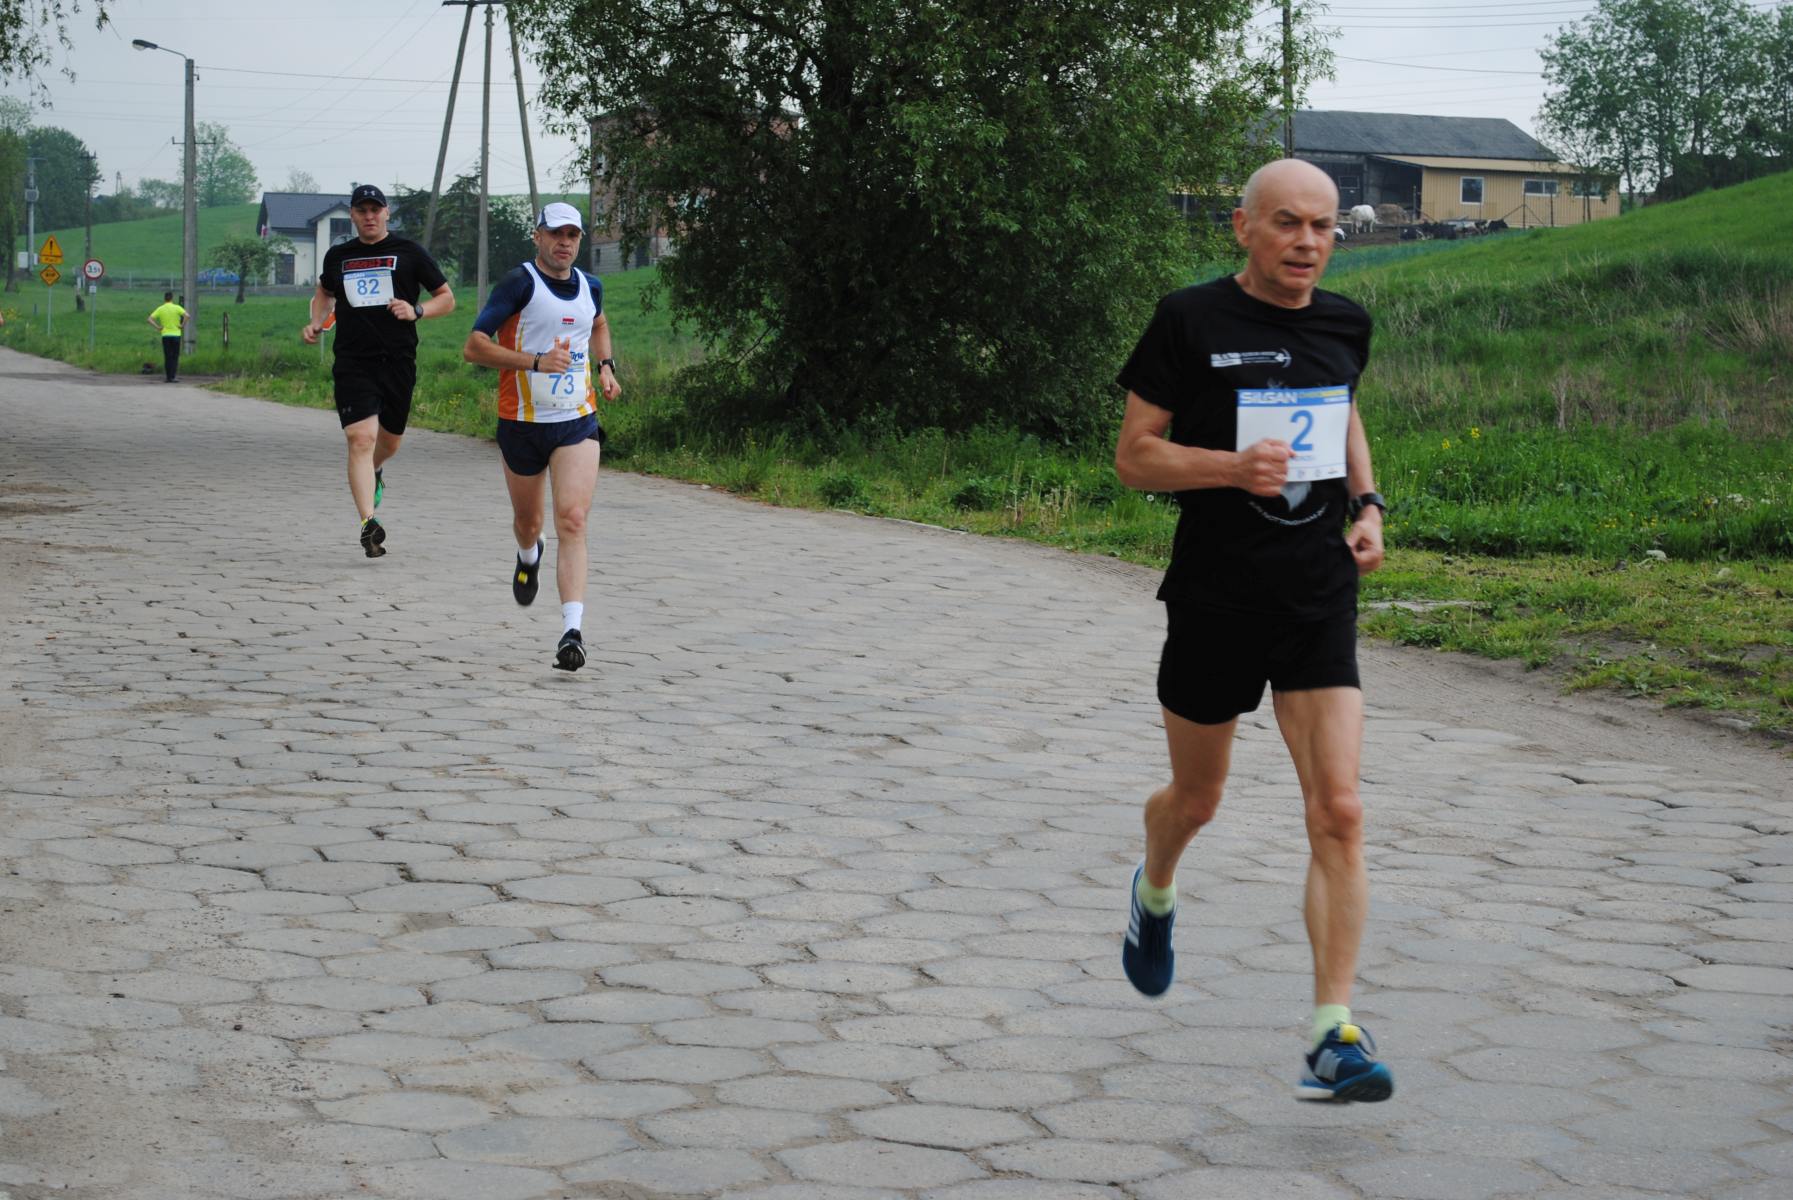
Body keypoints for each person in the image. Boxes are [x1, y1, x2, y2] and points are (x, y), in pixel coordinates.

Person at [1112, 158, 1391, 1103]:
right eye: (1286, 223)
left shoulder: (1345, 322)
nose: (1307, 242)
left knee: (1339, 811)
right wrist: (1231, 470)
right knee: (1196, 800)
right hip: (1216, 597)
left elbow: (1342, 409)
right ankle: (1154, 889)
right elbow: (1134, 458)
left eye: (1322, 226)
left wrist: (1366, 504)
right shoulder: (1189, 319)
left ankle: (1331, 1033)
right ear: (1243, 227)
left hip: (1314, 594)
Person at [461, 203, 621, 672]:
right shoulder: (520, 283)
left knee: (573, 519)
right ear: (538, 236)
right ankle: (528, 554)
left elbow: (598, 322)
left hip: (576, 421)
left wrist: (605, 366)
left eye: (572, 235)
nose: (564, 243)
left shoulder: (591, 286)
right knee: (528, 522)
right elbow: (474, 347)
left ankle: (572, 632)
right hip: (522, 423)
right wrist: (535, 363)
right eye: (556, 233)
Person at [302, 184, 454, 558]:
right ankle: (368, 524)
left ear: (387, 213)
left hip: (398, 361)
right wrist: (317, 321)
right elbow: (324, 291)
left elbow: (446, 299)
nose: (369, 216)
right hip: (353, 362)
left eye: (375, 210)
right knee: (360, 438)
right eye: (362, 210)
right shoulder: (338, 256)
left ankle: (375, 471)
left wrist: (416, 311)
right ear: (352, 216)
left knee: (388, 443)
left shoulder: (409, 252)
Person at [146, 290, 186, 382]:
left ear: (165, 299)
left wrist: (158, 327)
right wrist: (182, 325)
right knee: (175, 357)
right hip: (176, 335)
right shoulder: (177, 308)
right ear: (172, 298)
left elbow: (149, 319)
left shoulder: (161, 309)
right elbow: (187, 316)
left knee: (167, 356)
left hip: (165, 335)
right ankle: (173, 376)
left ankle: (168, 377)